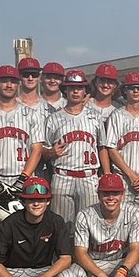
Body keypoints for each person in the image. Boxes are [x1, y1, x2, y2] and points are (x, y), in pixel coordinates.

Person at [42, 70, 104, 223]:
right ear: (65, 90)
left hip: (89, 177)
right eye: (71, 88)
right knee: (60, 225)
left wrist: (106, 173)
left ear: (85, 91)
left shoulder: (95, 117)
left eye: (80, 88)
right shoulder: (53, 118)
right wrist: (50, 152)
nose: (75, 91)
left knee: (90, 224)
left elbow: (102, 147)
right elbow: (42, 149)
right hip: (62, 176)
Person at [99, 71, 139, 208]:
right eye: (131, 87)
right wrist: (131, 175)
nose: (135, 90)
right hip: (122, 177)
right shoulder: (116, 115)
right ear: (124, 91)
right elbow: (111, 149)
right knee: (121, 219)